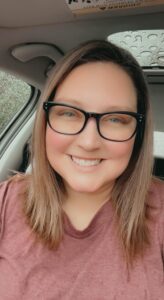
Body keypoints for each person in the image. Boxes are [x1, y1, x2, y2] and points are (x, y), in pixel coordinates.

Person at [0, 40, 164, 300]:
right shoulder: (5, 201)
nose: (88, 142)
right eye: (68, 113)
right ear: (46, 122)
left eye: (115, 119)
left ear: (138, 133)